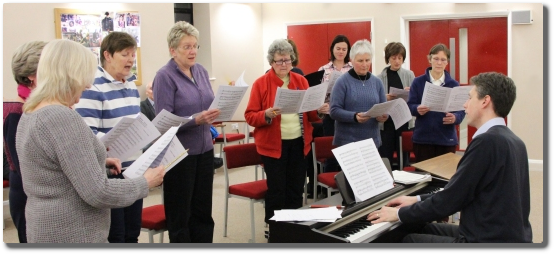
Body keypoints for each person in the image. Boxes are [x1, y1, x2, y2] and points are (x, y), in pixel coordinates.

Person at [15, 39, 165, 243]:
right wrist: (145, 182)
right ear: (69, 76)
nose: (87, 85)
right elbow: (98, 192)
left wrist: (99, 161)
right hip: (73, 232)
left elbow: (53, 167)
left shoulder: (31, 112)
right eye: (85, 77)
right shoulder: (61, 118)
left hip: (45, 226)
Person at [368, 72, 533, 243]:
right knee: (418, 226)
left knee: (409, 239)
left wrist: (398, 213)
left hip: (486, 238)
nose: (465, 104)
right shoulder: (514, 141)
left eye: (470, 98)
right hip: (499, 233)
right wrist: (415, 199)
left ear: (485, 101)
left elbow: (449, 201)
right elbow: (459, 193)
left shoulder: (487, 142)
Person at [244, 38, 328, 234]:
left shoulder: (301, 81)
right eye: (279, 61)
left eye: (288, 60)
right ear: (271, 62)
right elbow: (250, 115)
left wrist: (320, 110)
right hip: (273, 147)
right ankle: (275, 230)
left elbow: (311, 115)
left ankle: (294, 230)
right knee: (277, 190)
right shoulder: (261, 84)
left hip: (299, 143)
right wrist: (266, 114)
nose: (284, 65)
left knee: (295, 188)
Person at [153, 21, 220, 243]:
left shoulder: (200, 71)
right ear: (173, 50)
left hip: (205, 150)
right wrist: (195, 120)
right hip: (180, 155)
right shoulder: (165, 76)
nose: (192, 51)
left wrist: (212, 114)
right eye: (186, 47)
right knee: (181, 216)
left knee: (203, 213)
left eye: (195, 46)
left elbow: (207, 102)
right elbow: (163, 123)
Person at [73, 31, 144, 243]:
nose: (131, 59)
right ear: (108, 55)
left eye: (133, 54)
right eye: (125, 54)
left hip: (134, 169)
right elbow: (87, 134)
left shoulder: (130, 85)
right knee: (116, 235)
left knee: (133, 232)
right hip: (110, 172)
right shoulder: (92, 87)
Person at [3, 40, 47, 243]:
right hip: (29, 198)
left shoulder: (38, 107)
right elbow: (27, 169)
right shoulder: (17, 112)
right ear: (32, 77)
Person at [406, 43, 465, 163]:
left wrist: (455, 117)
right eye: (436, 59)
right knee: (424, 177)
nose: (439, 63)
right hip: (423, 139)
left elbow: (461, 110)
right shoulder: (418, 82)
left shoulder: (454, 85)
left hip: (446, 139)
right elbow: (410, 106)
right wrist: (417, 108)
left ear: (447, 62)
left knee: (444, 179)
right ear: (430, 59)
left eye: (443, 60)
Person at [329, 39, 388, 149]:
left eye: (367, 60)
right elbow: (334, 111)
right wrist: (354, 117)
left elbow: (384, 108)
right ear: (352, 60)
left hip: (372, 141)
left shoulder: (377, 82)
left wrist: (384, 116)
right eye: (360, 61)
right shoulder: (342, 82)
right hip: (348, 141)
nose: (365, 64)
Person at [376, 42, 415, 170]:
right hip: (387, 121)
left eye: (400, 58)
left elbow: (416, 97)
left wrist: (410, 92)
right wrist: (385, 97)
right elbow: (375, 100)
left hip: (403, 120)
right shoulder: (380, 78)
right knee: (386, 154)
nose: (397, 61)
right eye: (393, 58)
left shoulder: (409, 75)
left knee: (403, 155)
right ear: (388, 58)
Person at [317, 34, 353, 173]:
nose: (341, 52)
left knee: (348, 150)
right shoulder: (323, 69)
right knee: (332, 150)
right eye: (338, 48)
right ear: (332, 49)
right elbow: (318, 93)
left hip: (348, 113)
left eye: (344, 49)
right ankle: (329, 184)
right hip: (329, 114)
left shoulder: (352, 68)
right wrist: (320, 105)